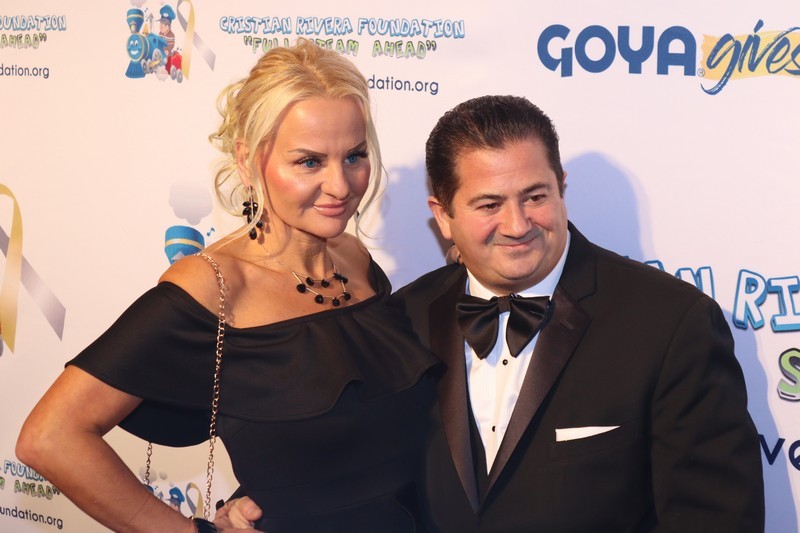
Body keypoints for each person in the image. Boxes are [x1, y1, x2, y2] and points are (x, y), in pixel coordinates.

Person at [16, 40, 437, 533]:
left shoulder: (355, 259)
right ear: (248, 161)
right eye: (309, 161)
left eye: (354, 156)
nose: (341, 186)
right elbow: (49, 436)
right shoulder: (213, 287)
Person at [392, 94, 765, 531]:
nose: (517, 225)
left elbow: (716, 520)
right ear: (443, 215)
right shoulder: (404, 320)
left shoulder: (671, 324)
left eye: (535, 196)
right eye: (489, 205)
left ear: (561, 187)